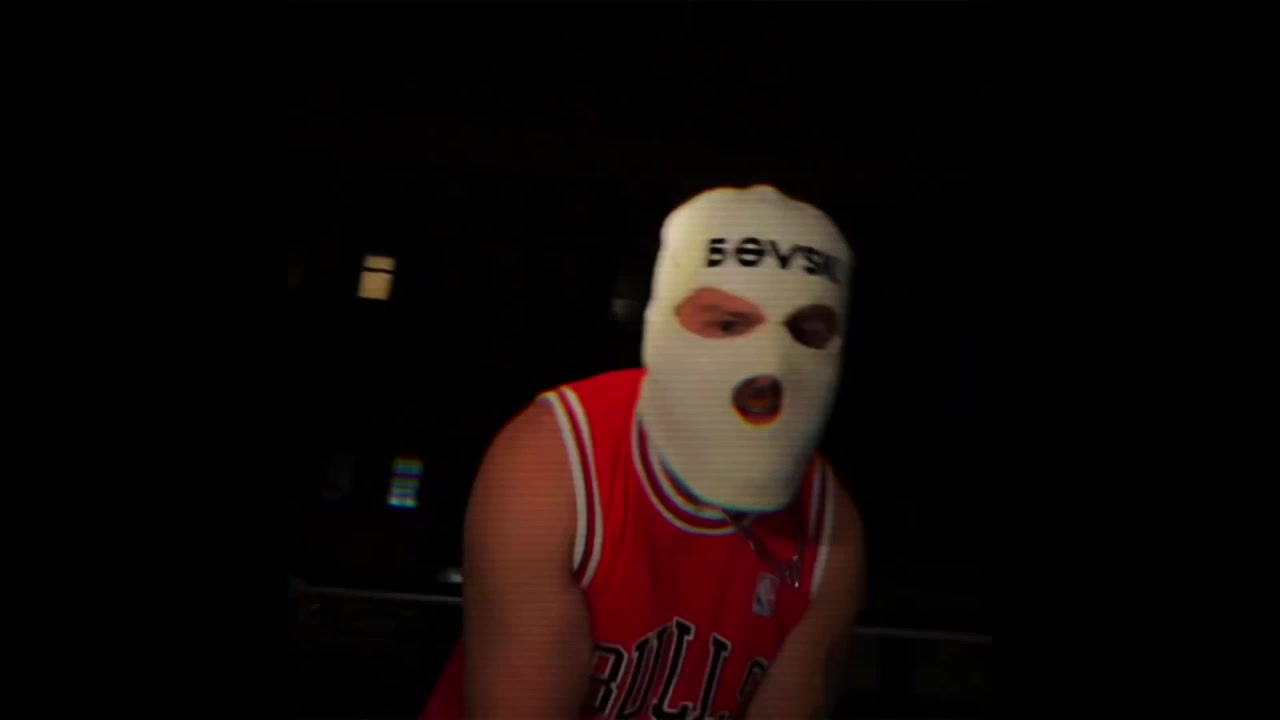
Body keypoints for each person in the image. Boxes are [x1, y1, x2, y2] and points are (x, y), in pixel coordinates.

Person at [421, 185, 866, 720]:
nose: (768, 364)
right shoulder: (555, 465)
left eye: (805, 332)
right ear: (664, 324)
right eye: (728, 324)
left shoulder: (829, 531)